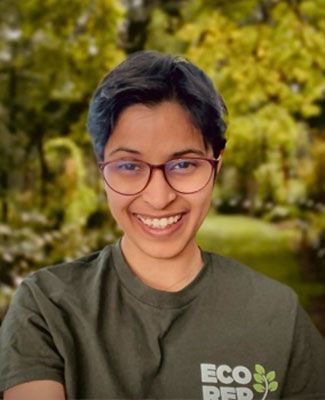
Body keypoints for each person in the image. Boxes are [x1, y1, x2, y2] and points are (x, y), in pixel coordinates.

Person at [0, 51, 324, 400]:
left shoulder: (276, 315)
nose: (158, 197)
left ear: (217, 165)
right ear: (101, 170)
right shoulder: (48, 308)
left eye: (183, 164)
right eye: (129, 166)